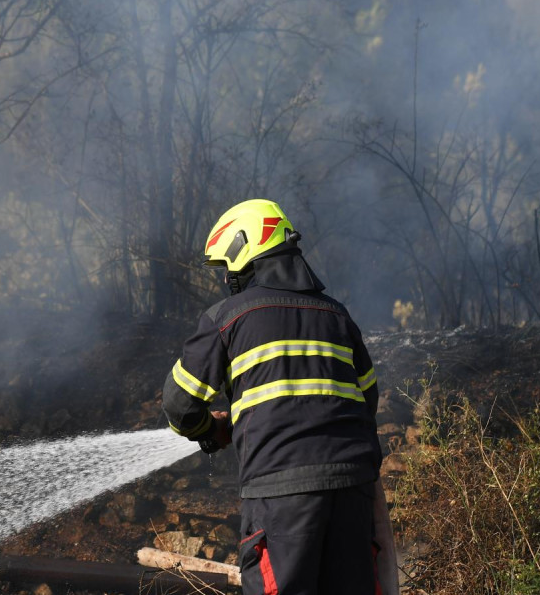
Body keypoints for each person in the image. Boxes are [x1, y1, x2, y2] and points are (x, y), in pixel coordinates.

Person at [161, 199, 385, 595]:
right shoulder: (337, 315)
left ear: (243, 249)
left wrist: (210, 429)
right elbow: (368, 398)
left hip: (282, 498)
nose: (227, 276)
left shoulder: (228, 317)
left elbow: (179, 405)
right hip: (353, 489)